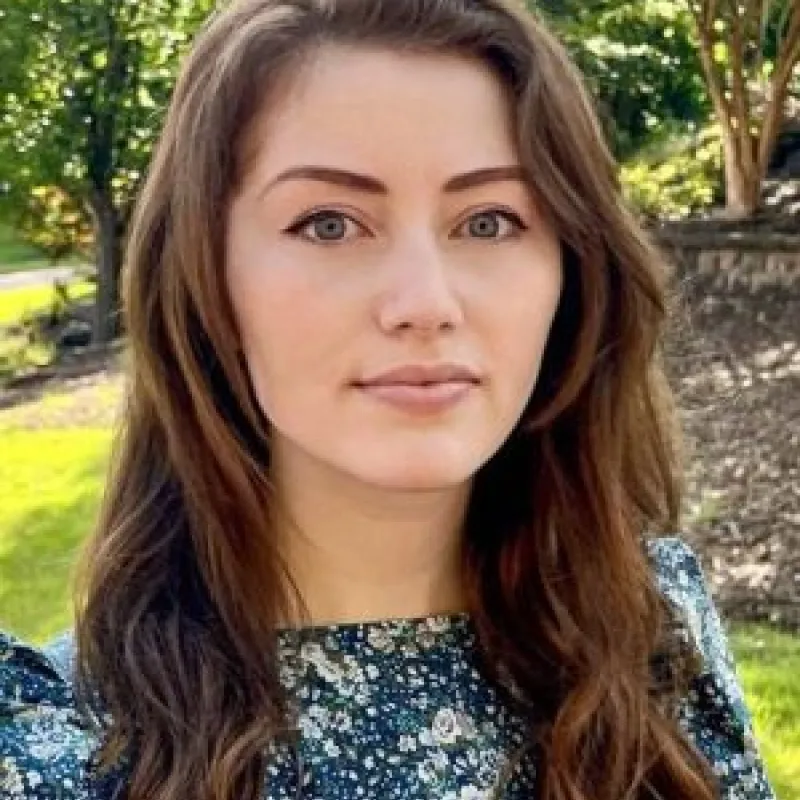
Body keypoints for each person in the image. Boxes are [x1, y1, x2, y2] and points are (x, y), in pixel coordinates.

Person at [0, 1, 778, 799]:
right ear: (206, 279)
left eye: (488, 222)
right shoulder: (61, 754)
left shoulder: (652, 633)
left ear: (571, 273)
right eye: (330, 224)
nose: (425, 301)